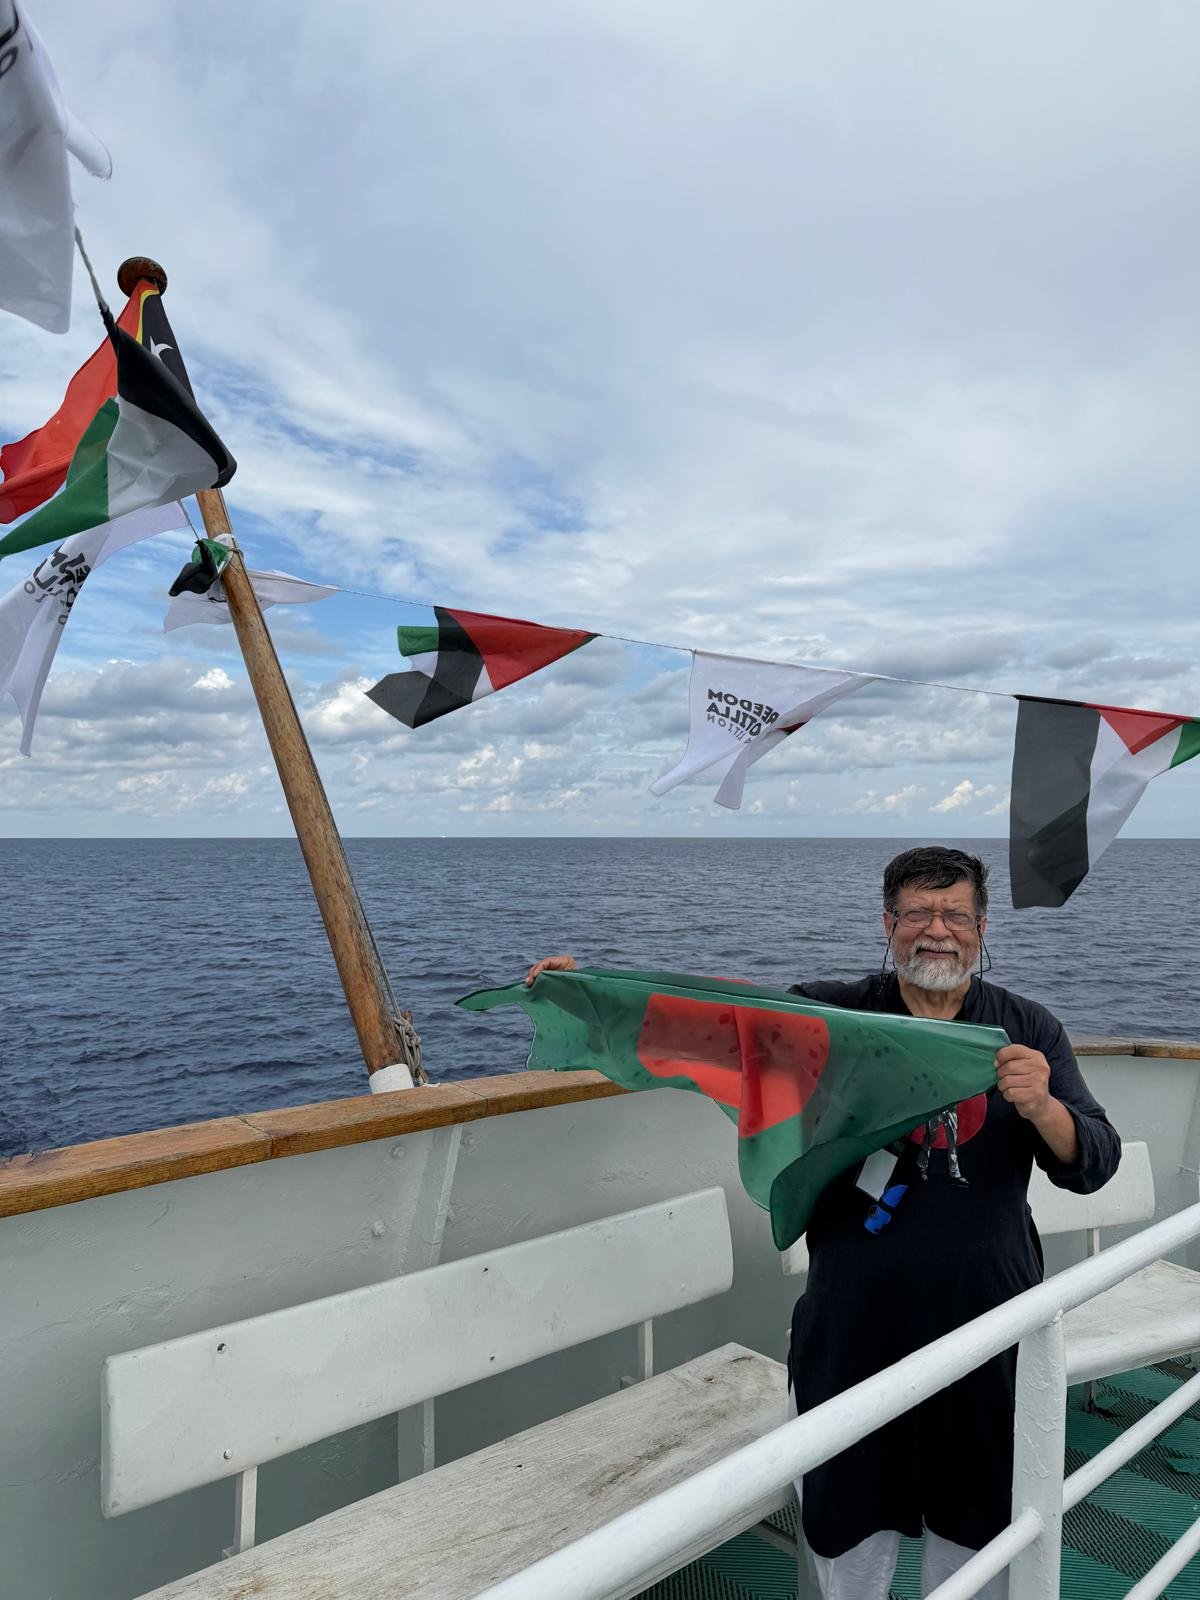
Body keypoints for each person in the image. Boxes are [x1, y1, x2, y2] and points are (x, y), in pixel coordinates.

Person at [524, 845, 1121, 1600]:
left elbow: (1094, 1160)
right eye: (916, 913)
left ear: (981, 927)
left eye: (955, 915)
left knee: (979, 1544)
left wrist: (1043, 1106)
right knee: (849, 1534)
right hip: (854, 1331)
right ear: (887, 923)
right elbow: (717, 1027)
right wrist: (589, 991)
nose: (936, 930)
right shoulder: (830, 1020)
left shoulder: (1028, 1029)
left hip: (990, 1336)